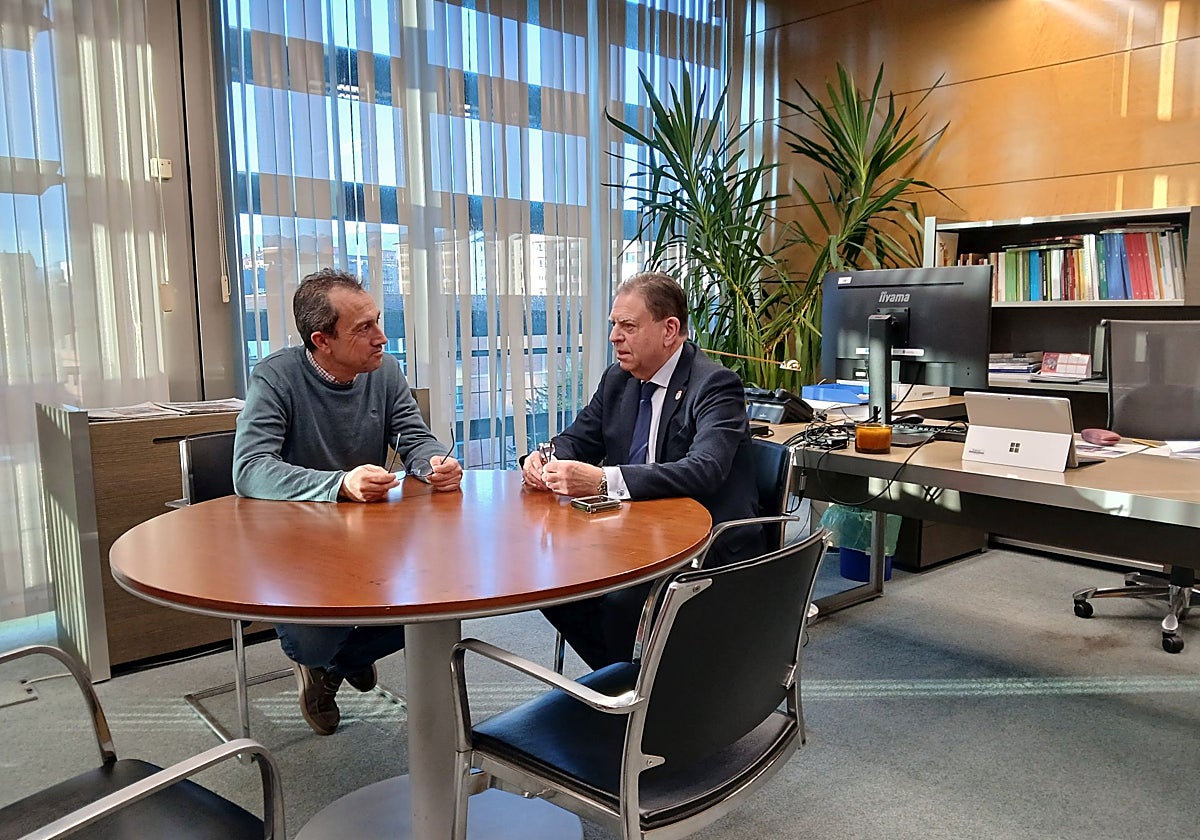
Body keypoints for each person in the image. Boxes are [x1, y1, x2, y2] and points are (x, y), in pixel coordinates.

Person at [233, 268, 462, 735]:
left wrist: (432, 462)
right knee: (313, 644)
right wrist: (339, 484)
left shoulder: (384, 371)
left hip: (373, 536)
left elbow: (413, 436)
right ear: (323, 340)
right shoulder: (275, 377)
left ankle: (336, 667)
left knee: (441, 606)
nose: (382, 337)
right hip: (297, 545)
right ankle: (323, 662)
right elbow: (250, 468)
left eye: (378, 320)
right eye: (364, 328)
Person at [521, 271, 764, 670]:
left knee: (618, 601)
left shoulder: (715, 384)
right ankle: (628, 681)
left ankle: (640, 696)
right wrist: (542, 457)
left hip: (704, 537)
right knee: (551, 582)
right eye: (614, 325)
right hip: (634, 529)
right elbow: (578, 439)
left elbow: (706, 469)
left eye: (628, 326)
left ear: (670, 330)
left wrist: (603, 480)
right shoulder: (619, 379)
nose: (615, 336)